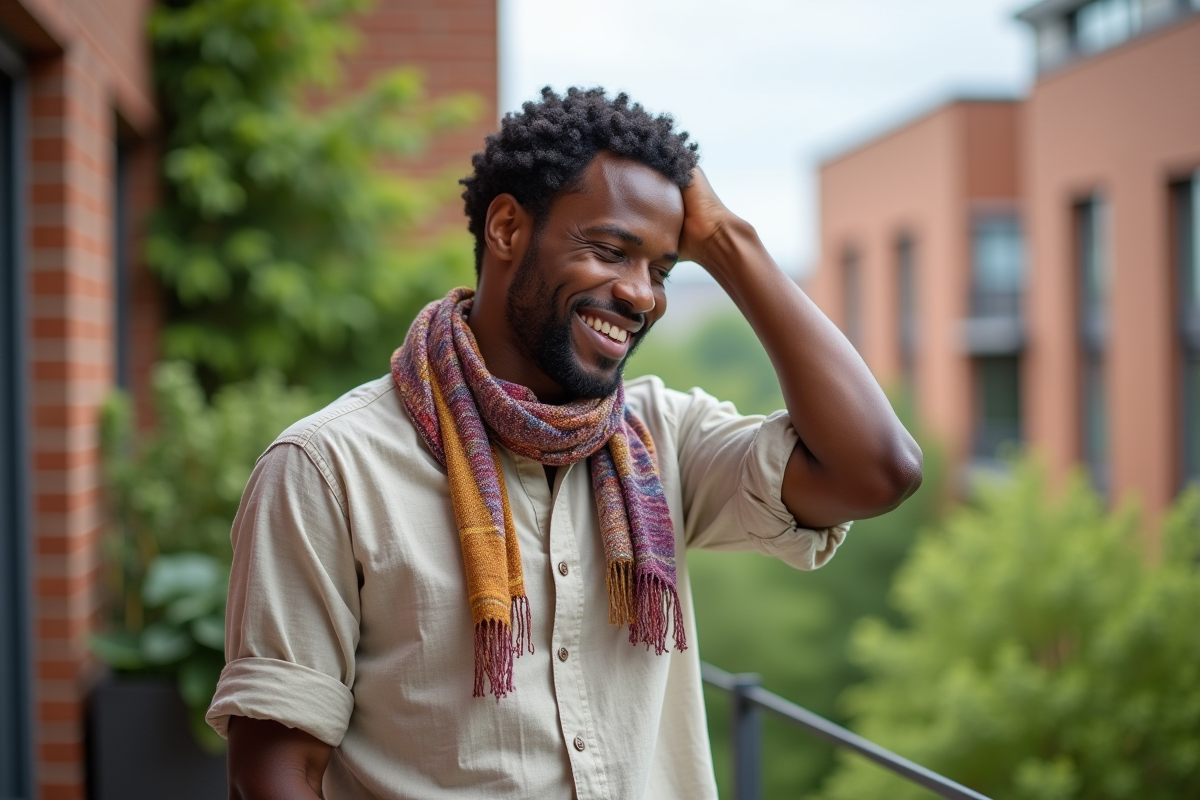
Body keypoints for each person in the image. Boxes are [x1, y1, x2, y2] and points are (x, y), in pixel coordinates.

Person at [207, 86, 922, 800]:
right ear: (509, 229)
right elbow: (273, 771)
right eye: (612, 250)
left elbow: (877, 470)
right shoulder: (328, 469)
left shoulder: (660, 439)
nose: (642, 295)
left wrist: (730, 243)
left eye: (663, 270)